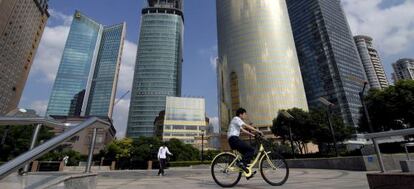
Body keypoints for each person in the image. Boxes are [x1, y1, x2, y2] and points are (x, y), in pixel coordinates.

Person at [228, 108, 262, 179]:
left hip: (233, 139)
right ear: (240, 114)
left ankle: (247, 172)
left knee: (247, 153)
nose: (245, 116)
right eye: (245, 114)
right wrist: (257, 130)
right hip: (234, 139)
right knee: (251, 150)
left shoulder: (236, 121)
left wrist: (253, 135)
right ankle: (241, 164)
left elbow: (243, 130)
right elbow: (246, 126)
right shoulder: (236, 118)